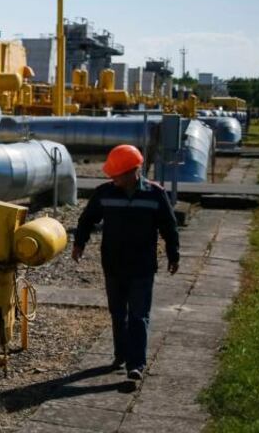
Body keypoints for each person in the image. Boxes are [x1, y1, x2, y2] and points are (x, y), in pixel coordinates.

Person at [72, 144, 179, 381]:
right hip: (113, 265)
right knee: (118, 313)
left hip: (142, 266)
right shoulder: (105, 193)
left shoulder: (155, 194)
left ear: (134, 172)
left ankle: (136, 364)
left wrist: (174, 254)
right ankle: (120, 354)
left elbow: (169, 227)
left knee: (139, 315)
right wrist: (79, 243)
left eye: (116, 173)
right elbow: (87, 219)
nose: (111, 177)